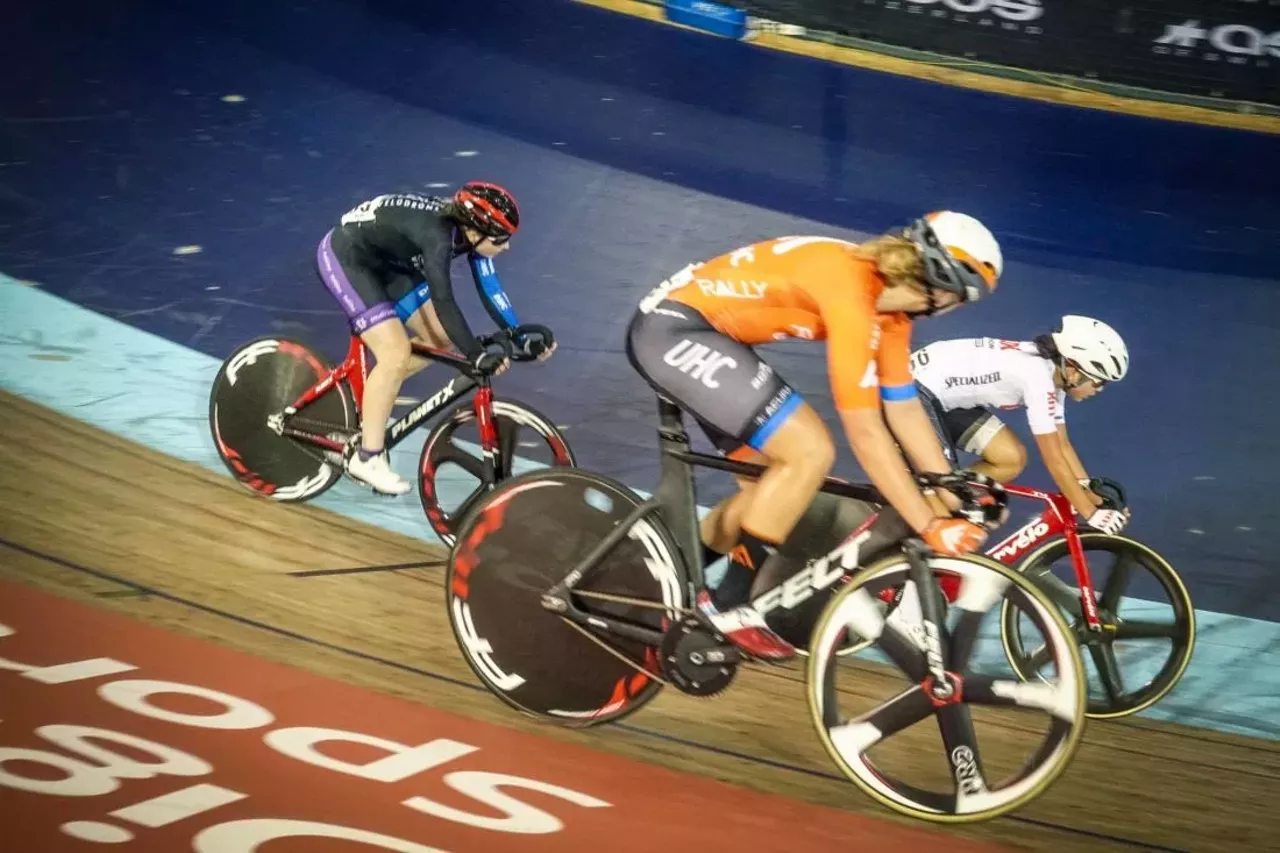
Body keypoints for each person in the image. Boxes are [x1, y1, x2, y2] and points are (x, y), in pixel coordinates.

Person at [625, 212, 1004, 661]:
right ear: (944, 285)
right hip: (674, 331)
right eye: (962, 298)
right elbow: (865, 432)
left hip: (702, 332)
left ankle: (650, 581)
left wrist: (950, 486)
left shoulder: (892, 314)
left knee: (772, 488)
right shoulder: (851, 293)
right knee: (809, 450)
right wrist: (929, 523)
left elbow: (902, 410)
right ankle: (727, 608)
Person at [314, 182, 555, 495]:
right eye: (501, 239)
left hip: (390, 261)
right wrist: (475, 355)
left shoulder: (469, 232)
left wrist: (515, 332)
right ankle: (367, 457)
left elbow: (489, 285)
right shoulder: (438, 238)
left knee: (439, 339)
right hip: (348, 258)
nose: (506, 246)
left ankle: (377, 391)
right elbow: (444, 300)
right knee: (395, 354)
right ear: (475, 231)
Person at [910, 315, 1130, 533]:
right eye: (1099, 381)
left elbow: (1062, 445)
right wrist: (1090, 514)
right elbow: (1054, 460)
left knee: (1010, 457)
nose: (1099, 390)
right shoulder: (1037, 381)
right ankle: (919, 514)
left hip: (943, 394)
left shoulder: (1055, 375)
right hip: (917, 391)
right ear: (1073, 371)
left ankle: (927, 492)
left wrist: (1095, 499)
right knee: (948, 503)